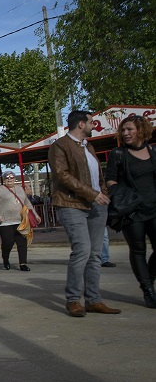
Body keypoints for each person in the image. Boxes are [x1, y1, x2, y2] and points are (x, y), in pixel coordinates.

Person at [49, 109, 121, 317]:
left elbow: (97, 175)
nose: (93, 126)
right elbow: (62, 175)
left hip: (97, 205)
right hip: (71, 205)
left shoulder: (89, 146)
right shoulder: (59, 146)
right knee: (82, 250)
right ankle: (73, 300)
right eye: (91, 122)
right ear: (81, 124)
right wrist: (92, 194)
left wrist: (103, 194)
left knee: (95, 254)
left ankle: (94, 299)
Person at [104, 114, 156, 308]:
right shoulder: (118, 154)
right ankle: (148, 290)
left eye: (130, 130)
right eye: (123, 130)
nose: (125, 133)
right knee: (138, 250)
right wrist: (120, 195)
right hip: (132, 211)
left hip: (154, 207)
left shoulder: (153, 151)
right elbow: (110, 179)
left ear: (141, 130)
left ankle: (149, 277)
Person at [0, 171, 37, 271]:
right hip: (5, 222)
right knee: (8, 242)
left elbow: (27, 202)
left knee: (22, 242)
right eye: (7, 178)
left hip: (20, 221)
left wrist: (35, 214)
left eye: (11, 177)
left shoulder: (19, 189)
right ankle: (5, 259)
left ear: (15, 178)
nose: (9, 179)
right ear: (4, 179)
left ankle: (23, 263)